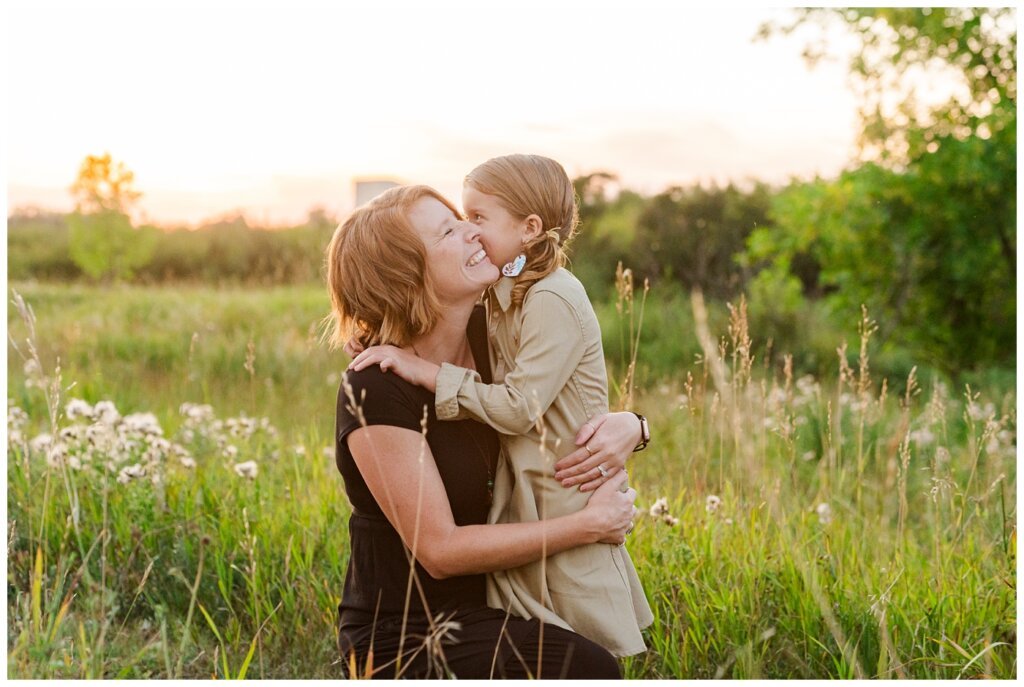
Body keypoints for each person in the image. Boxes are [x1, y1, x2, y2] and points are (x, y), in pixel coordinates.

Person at [325, 184, 643, 679]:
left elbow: (565, 399)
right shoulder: (374, 387)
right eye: (449, 231)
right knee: (584, 668)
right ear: (406, 274)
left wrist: (633, 425)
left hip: (505, 598)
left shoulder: (494, 335)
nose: (473, 231)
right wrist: (588, 525)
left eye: (464, 220)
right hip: (409, 632)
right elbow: (440, 551)